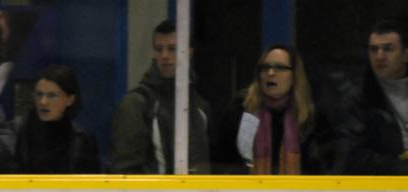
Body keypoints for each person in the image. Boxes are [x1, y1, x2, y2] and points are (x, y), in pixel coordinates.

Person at [110, 20, 211, 174]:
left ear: (189, 52)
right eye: (159, 49)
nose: (164, 56)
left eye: (172, 49)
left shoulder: (200, 105)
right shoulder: (137, 104)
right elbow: (125, 171)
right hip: (153, 190)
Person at [212, 45, 327, 174]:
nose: (270, 73)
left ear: (294, 76)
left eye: (280, 68)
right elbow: (221, 162)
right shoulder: (240, 111)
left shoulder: (310, 117)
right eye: (265, 67)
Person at [342, 19, 408, 175]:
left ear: (406, 54)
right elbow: (355, 157)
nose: (379, 56)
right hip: (386, 182)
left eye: (388, 49)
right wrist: (402, 168)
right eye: (373, 49)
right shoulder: (358, 97)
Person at [15, 64, 100, 173]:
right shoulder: (25, 135)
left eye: (52, 95)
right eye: (39, 94)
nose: (43, 102)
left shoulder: (82, 139)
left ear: (70, 99)